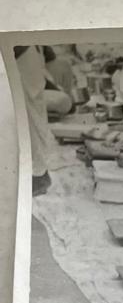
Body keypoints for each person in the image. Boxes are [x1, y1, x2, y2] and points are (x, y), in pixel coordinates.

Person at [15, 45, 58, 195]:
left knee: (29, 116)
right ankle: (37, 174)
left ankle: (38, 175)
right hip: (23, 54)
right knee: (32, 116)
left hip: (20, 55)